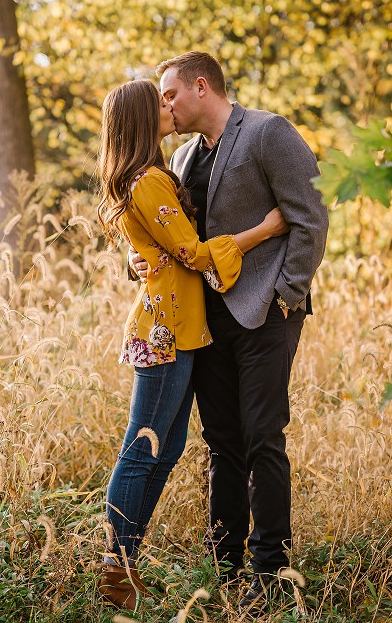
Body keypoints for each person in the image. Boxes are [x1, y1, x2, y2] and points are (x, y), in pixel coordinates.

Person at [132, 51, 329, 610]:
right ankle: (227, 569)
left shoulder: (269, 132)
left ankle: (271, 572)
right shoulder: (184, 155)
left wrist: (289, 293)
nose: (163, 106)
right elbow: (167, 235)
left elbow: (310, 214)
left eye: (170, 94)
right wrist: (137, 262)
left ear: (202, 86)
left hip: (267, 312)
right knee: (221, 443)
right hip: (205, 322)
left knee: (263, 435)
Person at [94, 79, 290, 611]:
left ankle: (126, 560)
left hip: (179, 327)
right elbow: (194, 254)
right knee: (144, 445)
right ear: (138, 118)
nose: (168, 107)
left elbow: (156, 248)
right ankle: (117, 564)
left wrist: (141, 262)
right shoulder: (149, 180)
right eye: (158, 102)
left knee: (168, 447)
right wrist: (265, 231)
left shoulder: (157, 173)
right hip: (166, 329)